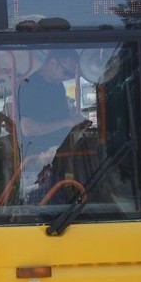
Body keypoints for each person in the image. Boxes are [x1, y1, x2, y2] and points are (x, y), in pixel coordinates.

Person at [17, 50, 88, 202]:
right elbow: (27, 128)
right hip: (36, 162)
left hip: (56, 158)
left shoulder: (58, 87)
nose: (68, 77)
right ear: (53, 62)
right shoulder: (29, 84)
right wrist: (66, 123)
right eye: (67, 72)